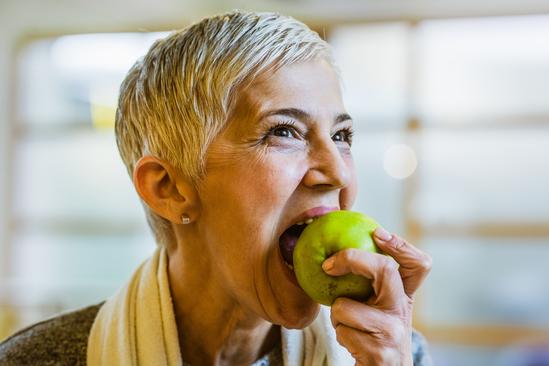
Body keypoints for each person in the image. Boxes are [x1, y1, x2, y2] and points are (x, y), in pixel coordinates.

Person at [0, 11, 433, 365]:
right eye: (284, 131)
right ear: (168, 188)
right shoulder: (35, 360)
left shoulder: (392, 354)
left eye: (342, 136)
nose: (338, 172)